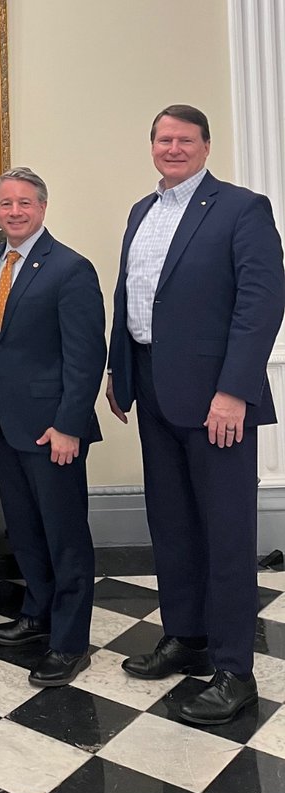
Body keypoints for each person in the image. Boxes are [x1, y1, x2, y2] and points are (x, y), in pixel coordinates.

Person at [106, 105, 285, 726]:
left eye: (185, 139)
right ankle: (187, 637)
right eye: (163, 138)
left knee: (226, 533)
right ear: (151, 145)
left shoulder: (241, 208)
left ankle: (235, 669)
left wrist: (234, 390)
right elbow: (131, 296)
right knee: (172, 523)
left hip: (216, 399)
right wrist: (118, 374)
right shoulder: (141, 212)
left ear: (206, 146)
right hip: (153, 391)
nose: (173, 147)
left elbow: (262, 303)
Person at [0, 168, 105, 687]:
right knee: (25, 531)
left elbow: (85, 355)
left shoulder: (71, 269)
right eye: (5, 204)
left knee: (65, 537)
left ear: (43, 207)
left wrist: (69, 424)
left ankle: (70, 642)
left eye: (24, 203)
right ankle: (38, 613)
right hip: (4, 423)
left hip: (54, 429)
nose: (14, 212)